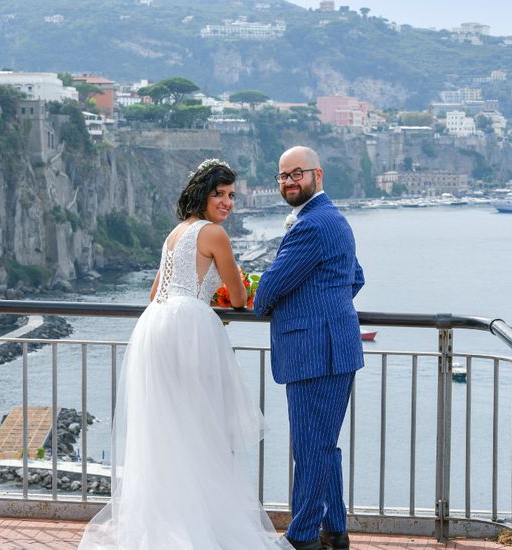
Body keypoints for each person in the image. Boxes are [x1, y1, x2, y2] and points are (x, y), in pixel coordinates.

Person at [79, 159, 289, 550]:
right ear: (203, 194)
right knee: (201, 427)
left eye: (230, 196)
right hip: (189, 326)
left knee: (167, 429)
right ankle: (202, 527)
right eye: (220, 194)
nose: (227, 203)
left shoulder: (175, 234)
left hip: (154, 326)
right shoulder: (214, 235)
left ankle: (167, 527)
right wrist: (224, 294)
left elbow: (154, 291)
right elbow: (240, 297)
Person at [253, 146, 365, 550]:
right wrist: (325, 305)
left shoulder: (310, 225)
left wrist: (274, 304)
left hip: (313, 352)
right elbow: (356, 278)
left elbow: (268, 289)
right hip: (334, 346)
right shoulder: (334, 219)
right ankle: (334, 531)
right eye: (282, 176)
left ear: (317, 174)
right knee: (323, 446)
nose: (288, 182)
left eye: (296, 174)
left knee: (310, 448)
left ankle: (300, 538)